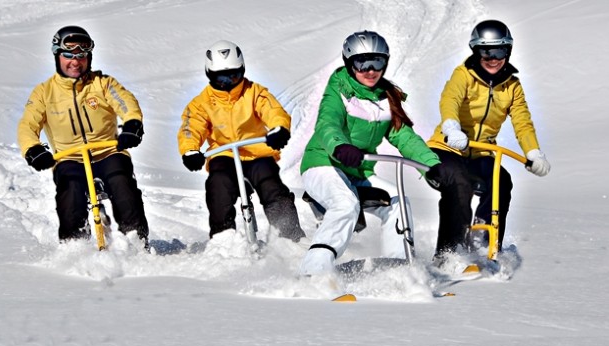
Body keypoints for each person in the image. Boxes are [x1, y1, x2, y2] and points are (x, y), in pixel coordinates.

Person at [298, 31, 442, 276]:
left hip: (357, 169)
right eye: (361, 63)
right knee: (346, 204)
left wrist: (431, 165)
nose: (370, 70)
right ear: (349, 63)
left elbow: (404, 137)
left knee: (398, 201)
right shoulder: (339, 90)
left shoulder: (387, 98)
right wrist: (340, 146)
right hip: (323, 163)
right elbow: (327, 123)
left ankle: (399, 268)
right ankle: (314, 270)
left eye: (377, 62)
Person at [425, 20, 551, 259]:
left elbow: (522, 121)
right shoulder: (463, 75)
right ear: (476, 51)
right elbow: (450, 99)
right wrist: (452, 128)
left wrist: (533, 152)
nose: (493, 59)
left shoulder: (512, 86)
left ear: (508, 51)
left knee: (501, 181)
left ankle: (484, 243)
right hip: (447, 148)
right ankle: (448, 253)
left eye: (499, 51)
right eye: (486, 52)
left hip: (480, 152)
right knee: (459, 183)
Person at [17, 25, 150, 248]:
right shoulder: (44, 92)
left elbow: (126, 102)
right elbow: (27, 124)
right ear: (57, 56)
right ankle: (74, 248)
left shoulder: (103, 83)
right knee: (70, 194)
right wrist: (33, 149)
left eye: (82, 56)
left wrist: (132, 124)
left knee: (122, 184)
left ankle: (136, 242)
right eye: (68, 55)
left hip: (107, 152)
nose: (75, 62)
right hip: (70, 158)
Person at [177, 40, 305, 243]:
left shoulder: (254, 93)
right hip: (224, 155)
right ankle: (223, 239)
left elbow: (273, 111)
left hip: (257, 154)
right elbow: (191, 127)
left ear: (242, 70)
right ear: (210, 75)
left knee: (271, 186)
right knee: (218, 184)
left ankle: (290, 237)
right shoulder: (201, 103)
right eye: (220, 78)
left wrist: (279, 128)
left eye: (233, 76)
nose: (227, 83)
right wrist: (190, 150)